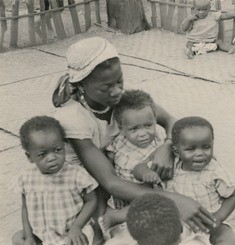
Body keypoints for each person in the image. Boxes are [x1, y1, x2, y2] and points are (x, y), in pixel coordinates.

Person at [51, 36, 217, 243]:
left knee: (191, 159)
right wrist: (175, 201)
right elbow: (110, 182)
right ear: (82, 85)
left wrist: (166, 146)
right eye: (105, 87)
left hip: (117, 167)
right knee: (101, 233)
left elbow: (171, 121)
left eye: (119, 80)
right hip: (86, 184)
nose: (117, 91)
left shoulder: (123, 96)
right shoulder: (72, 117)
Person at [11, 116, 98, 245]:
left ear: (64, 146)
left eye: (57, 150)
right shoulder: (26, 178)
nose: (52, 158)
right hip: (42, 234)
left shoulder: (75, 174)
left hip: (70, 232)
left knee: (79, 240)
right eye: (42, 154)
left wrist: (77, 226)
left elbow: (92, 200)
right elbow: (25, 209)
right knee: (17, 238)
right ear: (30, 157)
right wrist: (29, 236)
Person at [98, 89, 166, 240]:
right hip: (126, 190)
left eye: (148, 125)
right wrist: (116, 192)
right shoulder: (117, 143)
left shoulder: (160, 137)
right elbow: (109, 168)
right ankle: (115, 219)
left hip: (153, 188)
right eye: (134, 129)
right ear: (122, 128)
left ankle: (118, 219)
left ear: (155, 119)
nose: (142, 133)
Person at [165, 116, 235, 245]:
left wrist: (218, 218)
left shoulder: (216, 172)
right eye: (191, 149)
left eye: (206, 147)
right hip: (180, 222)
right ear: (176, 152)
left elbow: (232, 197)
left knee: (229, 239)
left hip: (211, 222)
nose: (200, 153)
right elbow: (142, 168)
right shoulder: (172, 167)